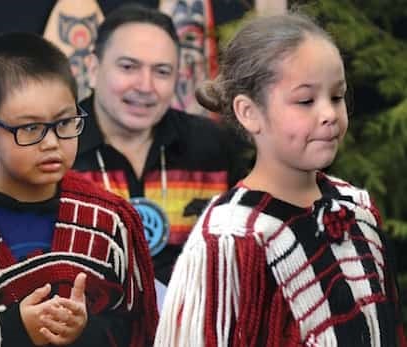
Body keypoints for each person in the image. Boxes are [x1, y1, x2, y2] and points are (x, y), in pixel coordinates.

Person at [155, 13, 407, 346]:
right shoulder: (230, 237)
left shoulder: (356, 208)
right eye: (305, 101)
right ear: (249, 112)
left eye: (337, 96)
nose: (329, 114)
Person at [0, 32, 158, 346]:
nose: (51, 143)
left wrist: (84, 328)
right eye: (30, 128)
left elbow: (137, 330)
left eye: (64, 123)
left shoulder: (107, 219)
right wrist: (13, 328)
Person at [72, 3, 244, 299]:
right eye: (128, 67)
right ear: (93, 68)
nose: (145, 86)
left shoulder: (214, 147)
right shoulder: (57, 150)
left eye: (162, 72)